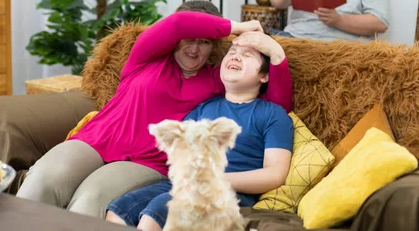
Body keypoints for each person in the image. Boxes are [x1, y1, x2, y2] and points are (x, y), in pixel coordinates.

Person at [16, 0, 293, 218]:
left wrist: (276, 55)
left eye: (205, 42)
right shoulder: (146, 56)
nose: (195, 49)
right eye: (190, 39)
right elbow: (178, 23)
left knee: (91, 200)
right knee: (43, 179)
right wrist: (237, 26)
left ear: (214, 46)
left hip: (149, 162)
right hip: (98, 139)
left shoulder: (218, 81)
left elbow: (275, 104)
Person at [106, 32, 294, 231]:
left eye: (247, 56)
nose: (236, 57)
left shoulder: (273, 115)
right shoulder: (204, 107)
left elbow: (275, 174)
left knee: (157, 212)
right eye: (232, 52)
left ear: (264, 76)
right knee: (119, 209)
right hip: (183, 184)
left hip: (228, 191)